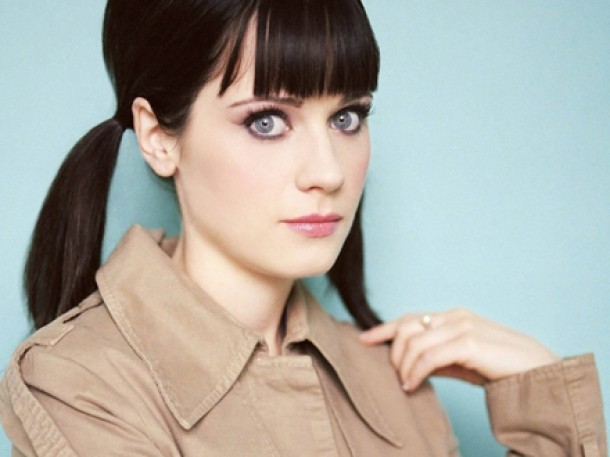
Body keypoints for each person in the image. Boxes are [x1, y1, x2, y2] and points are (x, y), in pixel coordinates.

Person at [0, 0, 606, 455]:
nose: (328, 172)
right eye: (266, 121)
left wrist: (544, 401)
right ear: (158, 137)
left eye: (347, 117)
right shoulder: (79, 384)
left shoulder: (396, 387)